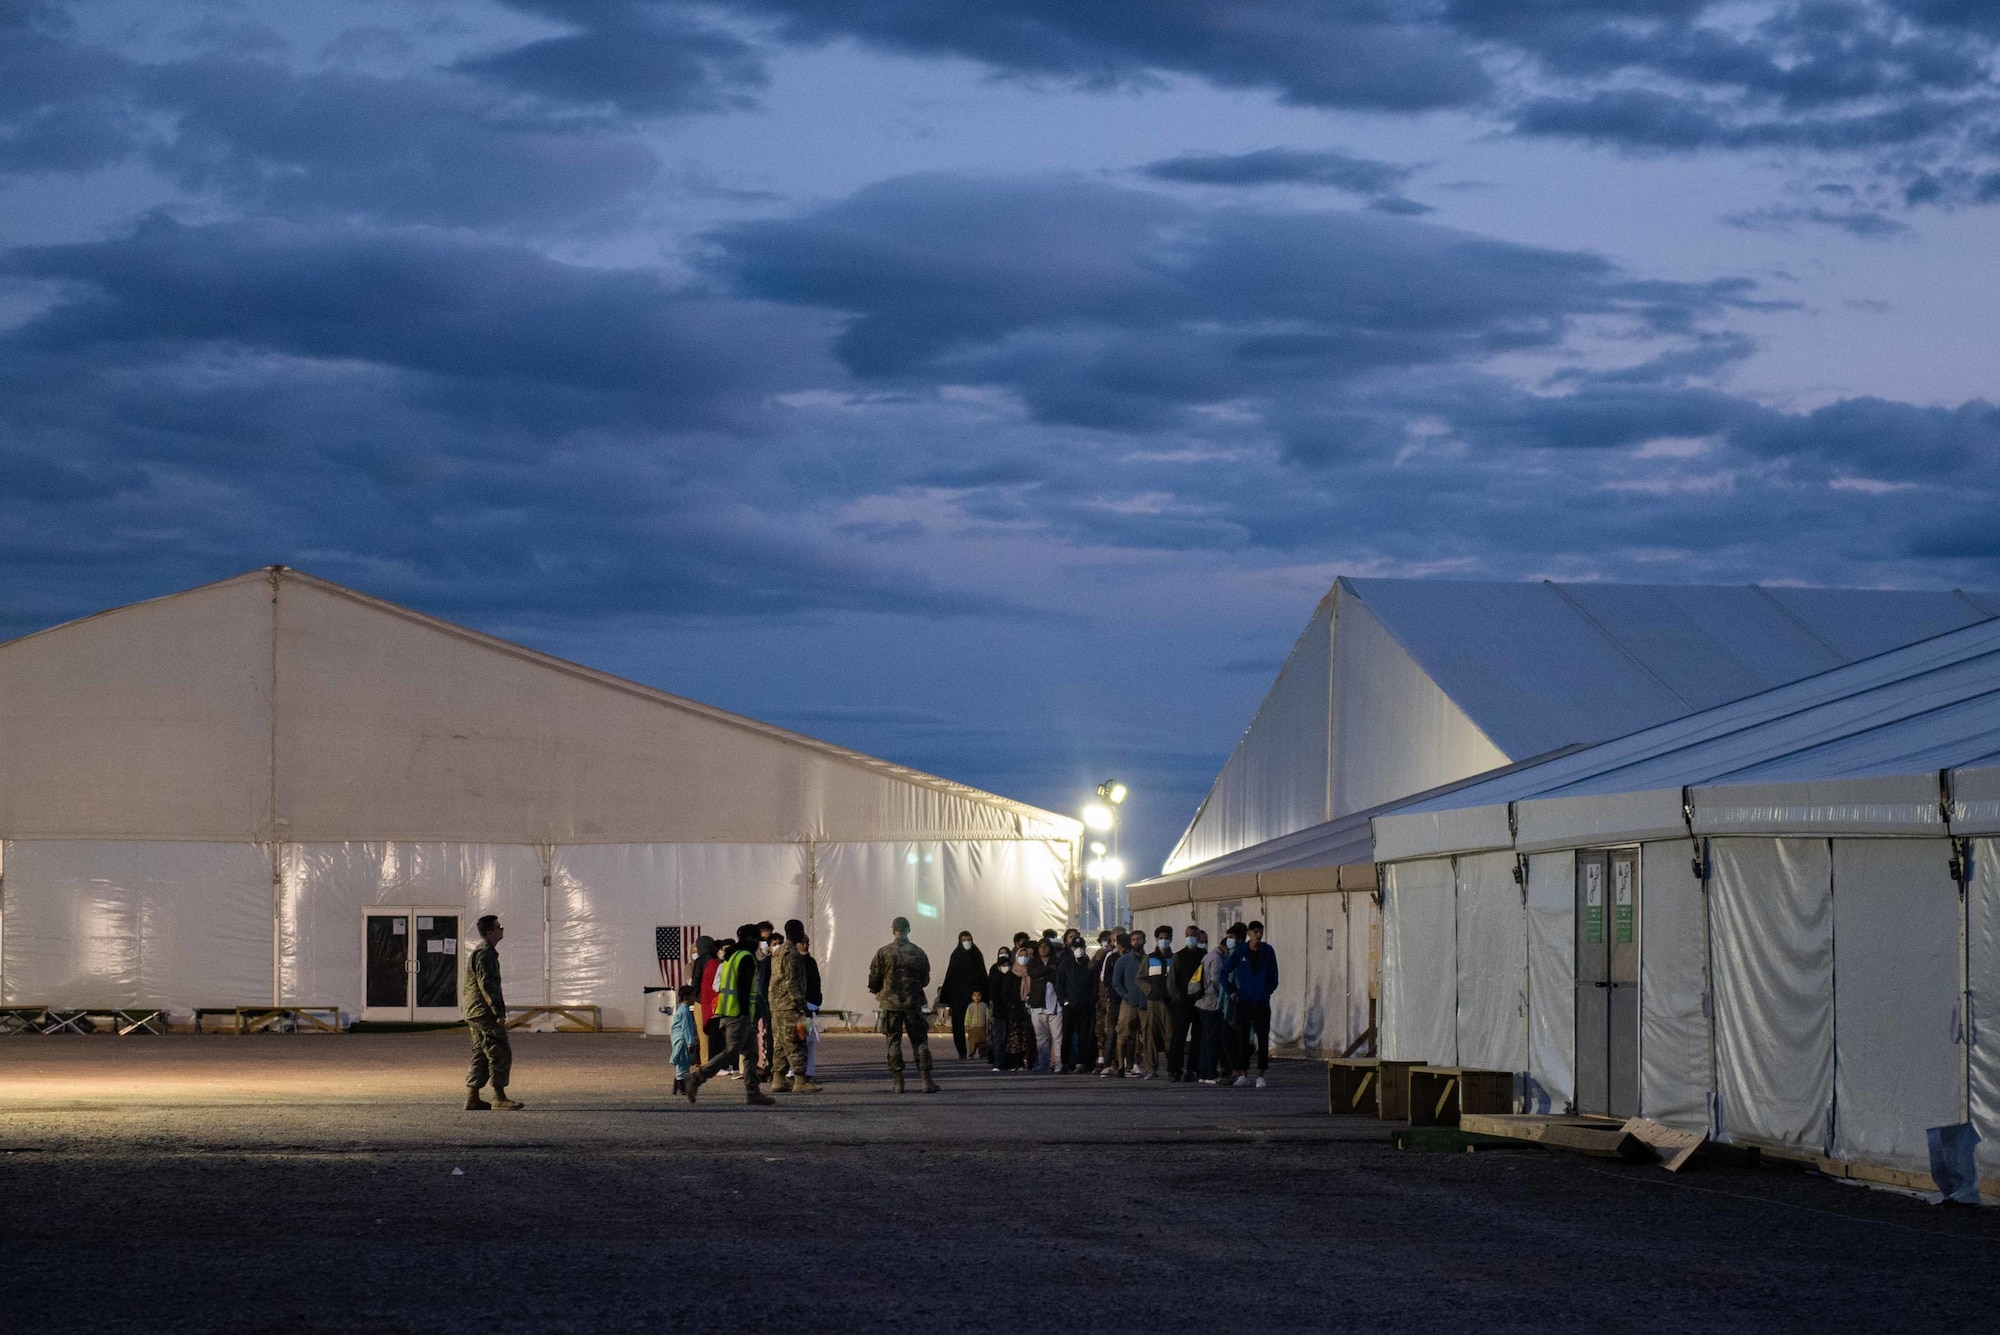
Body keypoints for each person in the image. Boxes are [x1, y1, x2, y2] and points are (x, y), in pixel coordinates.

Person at [685, 925, 775, 1106]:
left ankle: (753, 1092)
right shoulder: (746, 958)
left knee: (750, 1053)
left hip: (729, 1011)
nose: (759, 943)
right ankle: (696, 1078)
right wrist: (744, 1015)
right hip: (738, 1014)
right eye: (757, 939)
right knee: (731, 1052)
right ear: (750, 939)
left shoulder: (731, 956)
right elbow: (742, 988)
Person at [868, 915, 939, 1093]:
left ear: (893, 930)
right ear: (909, 929)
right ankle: (925, 1080)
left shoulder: (883, 952)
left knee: (893, 1042)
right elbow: (925, 980)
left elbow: (874, 978)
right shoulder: (918, 952)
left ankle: (898, 1082)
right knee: (920, 1041)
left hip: (891, 1004)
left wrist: (880, 988)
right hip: (913, 1003)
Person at [462, 914, 522, 1110]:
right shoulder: (485, 953)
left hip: (476, 1010)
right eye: (499, 926)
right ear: (490, 932)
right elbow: (487, 984)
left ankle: (473, 1097)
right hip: (484, 1011)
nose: (502, 929)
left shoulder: (484, 952)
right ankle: (499, 1097)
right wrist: (498, 1012)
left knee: (481, 1052)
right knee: (500, 1051)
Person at [767, 919, 822, 1094]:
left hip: (776, 1005)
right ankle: (800, 1080)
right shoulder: (794, 955)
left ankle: (778, 1079)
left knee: (780, 1044)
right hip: (791, 1006)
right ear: (798, 932)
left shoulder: (778, 952)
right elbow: (792, 982)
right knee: (797, 1041)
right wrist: (802, 1005)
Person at [1225, 919, 1280, 1088]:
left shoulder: (1268, 951)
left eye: (1260, 932)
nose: (1258, 935)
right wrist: (1232, 991)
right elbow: (1224, 972)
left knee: (1262, 1038)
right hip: (1244, 1001)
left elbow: (1274, 975)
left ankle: (1261, 1074)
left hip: (1261, 1002)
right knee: (1242, 1037)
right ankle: (1243, 1073)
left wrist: (1267, 991)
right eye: (1255, 932)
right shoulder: (1240, 951)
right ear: (1249, 933)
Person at [1166, 923, 1205, 1082]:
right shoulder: (1178, 956)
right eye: (1189, 935)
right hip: (1182, 1002)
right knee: (1178, 1037)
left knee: (1198, 1037)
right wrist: (1177, 997)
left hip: (1199, 1001)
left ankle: (1192, 1068)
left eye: (1194, 936)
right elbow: (1171, 981)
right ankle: (1174, 1069)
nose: (1191, 938)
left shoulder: (1204, 955)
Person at [938, 929, 985, 1059]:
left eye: (969, 940)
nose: (967, 942)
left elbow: (982, 975)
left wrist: (984, 994)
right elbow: (950, 975)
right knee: (958, 1025)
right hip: (958, 997)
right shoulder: (956, 955)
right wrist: (946, 997)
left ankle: (979, 1049)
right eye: (964, 940)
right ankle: (962, 1051)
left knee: (978, 1024)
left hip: (974, 997)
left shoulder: (976, 954)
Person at [1111, 930, 1150, 1077]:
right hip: (1128, 1004)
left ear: (1144, 940)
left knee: (1146, 1035)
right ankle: (1121, 1066)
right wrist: (1126, 996)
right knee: (1123, 1034)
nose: (1136, 942)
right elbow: (1116, 982)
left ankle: (1142, 1065)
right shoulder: (1123, 960)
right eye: (1133, 940)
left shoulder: (1149, 959)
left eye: (1139, 939)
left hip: (1146, 1004)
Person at [1056, 932, 1097, 1073]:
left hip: (1084, 1006)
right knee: (1066, 1035)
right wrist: (1064, 1001)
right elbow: (1059, 984)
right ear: (1070, 948)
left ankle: (1081, 1062)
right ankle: (1065, 1063)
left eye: (1080, 947)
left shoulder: (1089, 964)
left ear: (1085, 947)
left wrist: (1091, 1002)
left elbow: (1094, 985)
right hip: (1070, 1006)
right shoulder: (1065, 964)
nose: (1078, 950)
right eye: (1075, 947)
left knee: (1083, 1036)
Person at [1194, 928, 1227, 1085]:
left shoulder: (1207, 956)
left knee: (1204, 1039)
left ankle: (1202, 1072)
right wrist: (1225, 997)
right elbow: (1216, 979)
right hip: (1211, 1003)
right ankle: (1211, 1073)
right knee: (1212, 1039)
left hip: (1202, 1002)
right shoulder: (1216, 959)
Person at [1026, 939, 1061, 1073]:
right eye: (1041, 946)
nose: (1043, 948)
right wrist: (1047, 971)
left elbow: (1056, 976)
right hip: (1038, 1005)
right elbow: (1033, 973)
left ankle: (1058, 1064)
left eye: (1046, 946)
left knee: (1057, 1038)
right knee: (1041, 1038)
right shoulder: (1033, 963)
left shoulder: (1057, 962)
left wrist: (1043, 974)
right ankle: (1044, 1064)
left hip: (1055, 1005)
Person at [1145, 925, 1176, 1076]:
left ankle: (1172, 1068)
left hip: (1169, 1002)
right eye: (1161, 938)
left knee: (1170, 1034)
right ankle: (1152, 1068)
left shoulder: (1175, 958)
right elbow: (1139, 978)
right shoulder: (1150, 958)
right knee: (1152, 1033)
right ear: (1156, 940)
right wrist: (1149, 990)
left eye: (1166, 938)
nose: (1164, 941)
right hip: (1154, 1001)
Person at [1092, 930, 1122, 1072]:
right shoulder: (1104, 955)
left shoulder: (1121, 956)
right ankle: (1102, 1060)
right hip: (1103, 999)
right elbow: (1092, 969)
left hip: (1118, 998)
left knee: (1119, 1031)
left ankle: (1120, 1061)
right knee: (1102, 1031)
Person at [795, 932, 824, 1078]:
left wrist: (816, 1002)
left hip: (810, 1007)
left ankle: (808, 1071)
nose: (806, 946)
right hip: (797, 1008)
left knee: (808, 1041)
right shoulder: (793, 961)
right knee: (798, 1040)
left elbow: (815, 984)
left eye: (808, 943)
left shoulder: (810, 962)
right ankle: (794, 1071)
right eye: (802, 942)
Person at [986, 946, 1018, 1071]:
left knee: (1010, 1039)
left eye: (1007, 964)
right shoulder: (995, 977)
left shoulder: (1013, 976)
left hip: (1011, 1012)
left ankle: (1010, 1062)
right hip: (999, 1012)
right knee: (999, 1038)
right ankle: (998, 1062)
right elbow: (993, 994)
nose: (1005, 967)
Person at [687, 934, 718, 1065]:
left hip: (701, 1001)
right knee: (714, 1033)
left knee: (702, 1033)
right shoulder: (716, 960)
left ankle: (705, 1061)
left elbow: (695, 982)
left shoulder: (700, 961)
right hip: (715, 1001)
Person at [669, 983, 699, 1096]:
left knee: (680, 1066)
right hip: (683, 1042)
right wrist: (691, 1043)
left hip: (678, 1040)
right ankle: (682, 1087)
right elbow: (687, 1028)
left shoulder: (680, 1010)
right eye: (693, 996)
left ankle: (677, 1087)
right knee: (683, 1066)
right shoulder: (685, 1012)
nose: (695, 998)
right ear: (687, 997)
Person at [964, 988, 991, 1062]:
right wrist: (966, 1025)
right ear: (972, 997)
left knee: (982, 1041)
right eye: (975, 995)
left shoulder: (984, 1005)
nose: (977, 997)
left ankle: (983, 1053)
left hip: (981, 1026)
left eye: (978, 995)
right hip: (973, 1027)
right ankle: (971, 1053)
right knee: (972, 1041)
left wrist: (988, 1023)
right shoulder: (970, 1006)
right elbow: (967, 1016)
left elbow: (987, 1015)